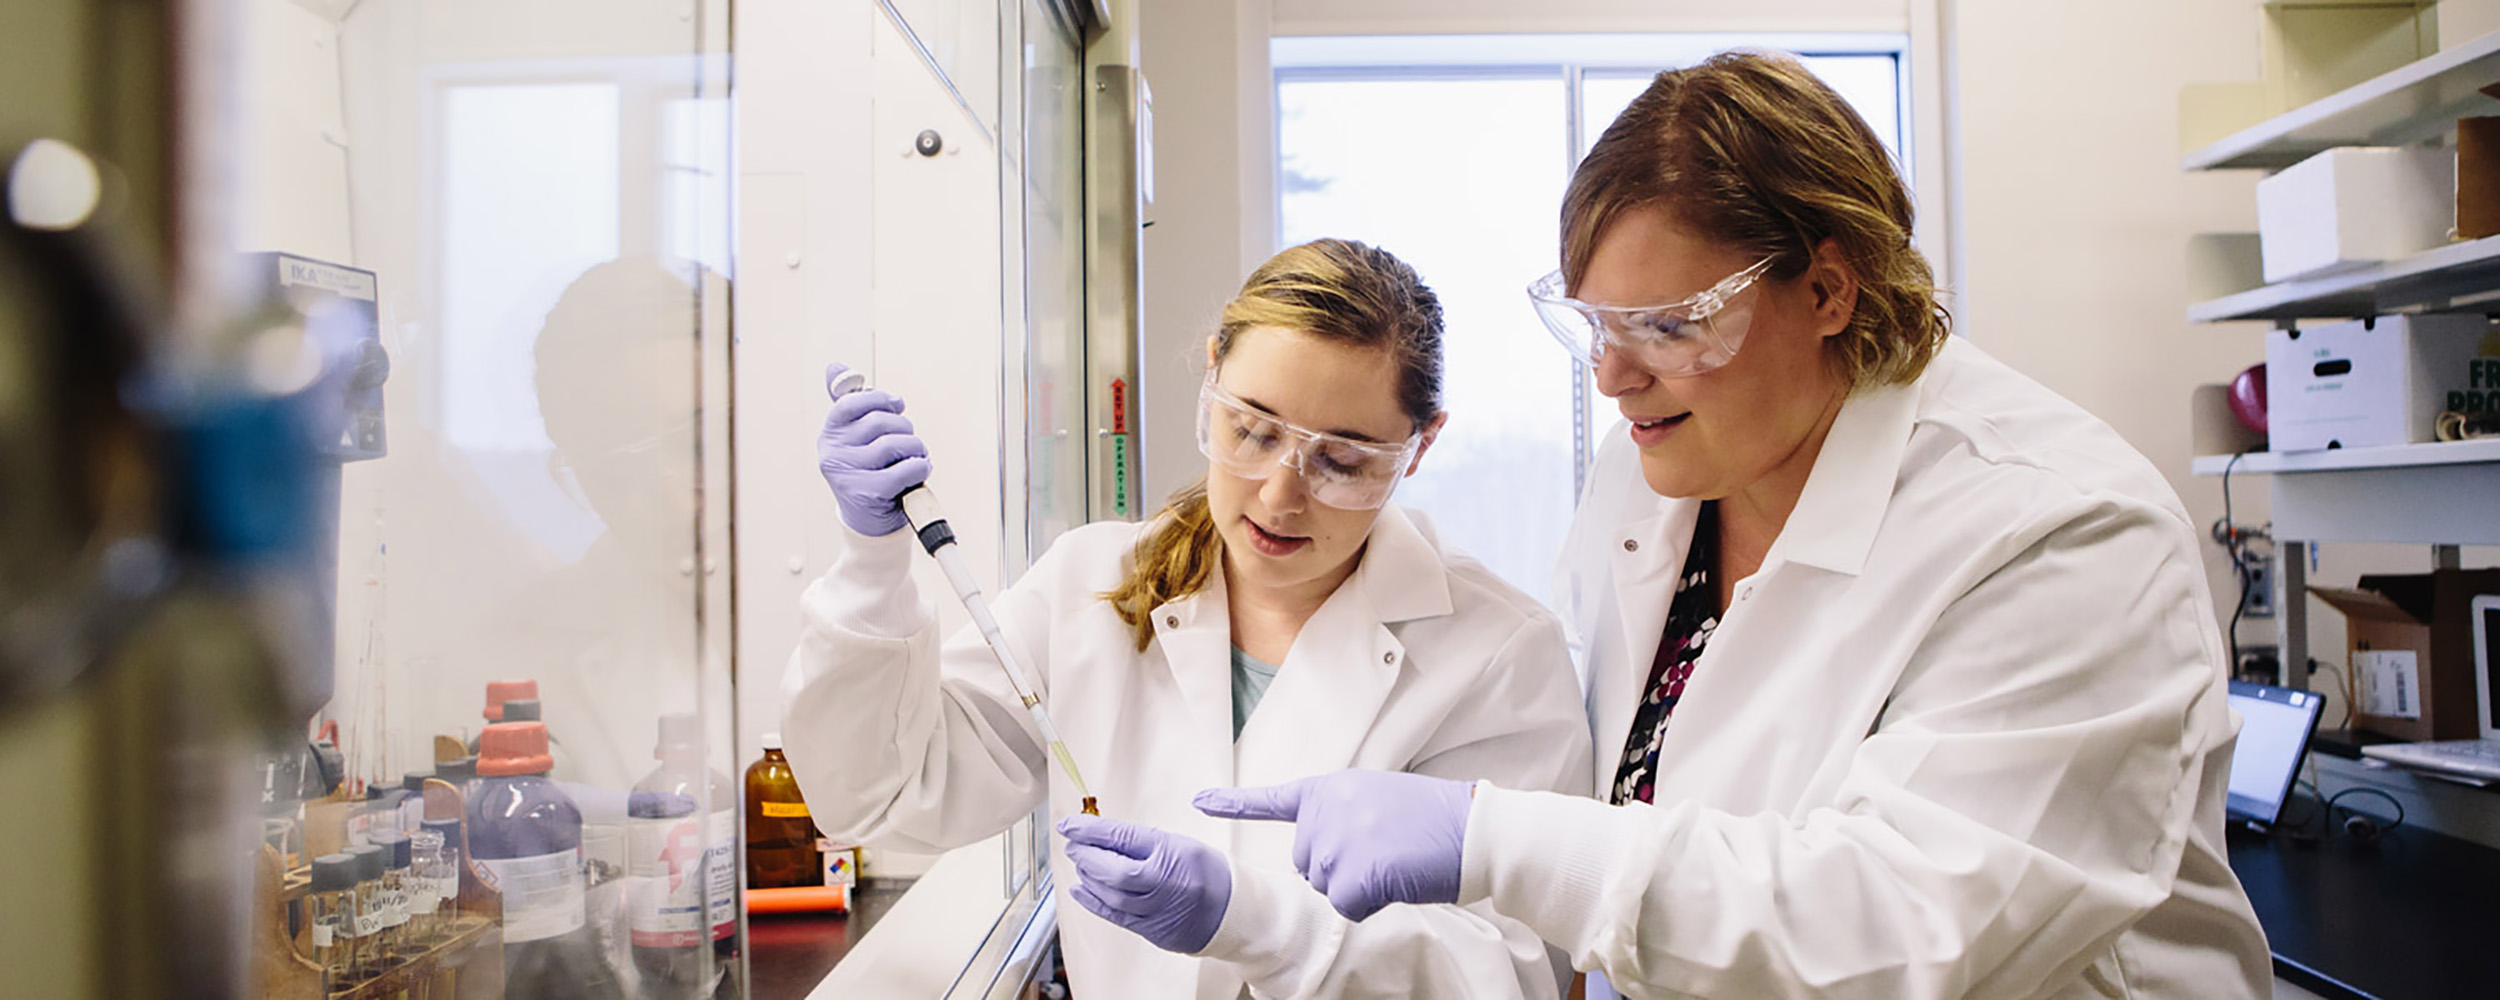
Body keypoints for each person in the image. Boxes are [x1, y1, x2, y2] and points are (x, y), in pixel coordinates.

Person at [1188, 53, 2275, 998]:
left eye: (1665, 327)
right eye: (1594, 326)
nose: (1613, 378)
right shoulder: (1652, 473)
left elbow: (1898, 932)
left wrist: (1495, 840)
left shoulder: (2060, 528)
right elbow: (1642, 798)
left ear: (1829, 290)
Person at [779, 238, 1591, 999]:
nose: (1280, 493)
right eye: (1251, 430)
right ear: (1212, 380)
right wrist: (870, 563)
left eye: (1341, 459)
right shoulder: (1088, 586)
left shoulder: (1495, 650)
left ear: (1419, 446)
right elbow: (882, 796)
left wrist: (1258, 925)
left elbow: (1515, 971)